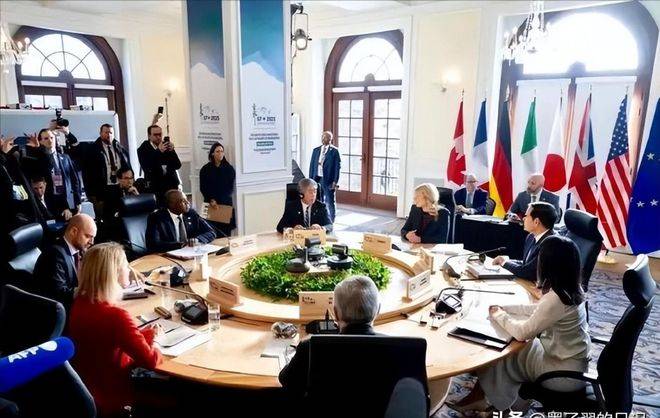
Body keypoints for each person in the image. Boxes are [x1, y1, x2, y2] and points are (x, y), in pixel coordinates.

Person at [451, 236, 590, 414]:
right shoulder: (572, 289)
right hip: (570, 363)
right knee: (509, 349)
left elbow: (522, 333)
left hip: (561, 375)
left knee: (502, 352)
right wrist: (505, 308)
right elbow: (538, 310)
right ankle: (493, 400)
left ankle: (499, 404)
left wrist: (500, 315)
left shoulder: (556, 299)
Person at [68, 242, 163, 417]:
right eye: (126, 266)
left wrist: (147, 334)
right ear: (115, 274)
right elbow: (150, 361)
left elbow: (108, 341)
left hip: (90, 390)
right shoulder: (116, 316)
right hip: (116, 396)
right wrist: (157, 340)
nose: (129, 270)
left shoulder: (79, 304)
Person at [279, 275, 380, 396]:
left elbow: (285, 380)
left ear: (335, 314)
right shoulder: (397, 348)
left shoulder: (309, 347)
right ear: (378, 310)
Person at [32, 214, 97, 311]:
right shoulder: (54, 255)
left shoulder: (79, 250)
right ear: (73, 231)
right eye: (88, 236)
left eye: (93, 237)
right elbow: (60, 294)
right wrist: (89, 290)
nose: (92, 242)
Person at [492, 202, 557, 282]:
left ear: (536, 222)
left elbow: (528, 272)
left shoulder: (551, 243)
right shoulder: (531, 236)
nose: (523, 218)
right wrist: (507, 261)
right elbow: (527, 264)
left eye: (526, 216)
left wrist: (503, 262)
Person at [30, 129, 82, 221]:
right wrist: (38, 149)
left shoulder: (65, 158)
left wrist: (78, 201)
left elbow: (75, 180)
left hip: (71, 203)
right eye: (46, 138)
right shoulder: (38, 160)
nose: (50, 141)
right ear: (40, 141)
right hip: (52, 206)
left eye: (52, 137)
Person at [84, 124, 131, 218]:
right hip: (103, 190)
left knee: (121, 216)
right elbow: (88, 173)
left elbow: (128, 167)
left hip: (119, 188)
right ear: (100, 133)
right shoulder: (92, 149)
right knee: (105, 218)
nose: (109, 135)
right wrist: (91, 194)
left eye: (111, 133)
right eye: (106, 132)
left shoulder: (120, 148)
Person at [146, 189, 215, 252]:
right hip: (169, 254)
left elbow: (211, 232)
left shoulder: (191, 213)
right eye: (183, 201)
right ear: (172, 205)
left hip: (190, 253)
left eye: (186, 200)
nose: (188, 203)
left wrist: (197, 240)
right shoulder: (156, 217)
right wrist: (181, 245)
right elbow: (153, 244)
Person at [137, 124, 181, 202]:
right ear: (149, 136)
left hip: (171, 185)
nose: (158, 137)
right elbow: (147, 167)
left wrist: (172, 151)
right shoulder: (143, 148)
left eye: (160, 134)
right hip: (155, 186)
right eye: (155, 135)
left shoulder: (166, 145)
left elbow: (177, 165)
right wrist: (158, 151)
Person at [199, 142, 236, 237]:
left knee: (225, 232)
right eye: (217, 151)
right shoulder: (205, 169)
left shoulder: (229, 169)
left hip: (224, 204)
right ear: (212, 153)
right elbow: (203, 187)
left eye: (222, 151)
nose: (220, 153)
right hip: (210, 203)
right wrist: (211, 199)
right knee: (210, 231)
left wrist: (220, 201)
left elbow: (230, 188)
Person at [308, 131, 341, 222]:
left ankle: (331, 220)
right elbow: (312, 166)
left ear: (330, 139)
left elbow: (337, 168)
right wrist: (310, 180)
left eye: (326, 137)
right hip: (316, 178)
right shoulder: (316, 150)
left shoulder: (334, 151)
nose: (323, 139)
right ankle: (320, 219)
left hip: (328, 180)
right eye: (322, 137)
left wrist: (335, 181)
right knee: (318, 200)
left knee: (330, 201)